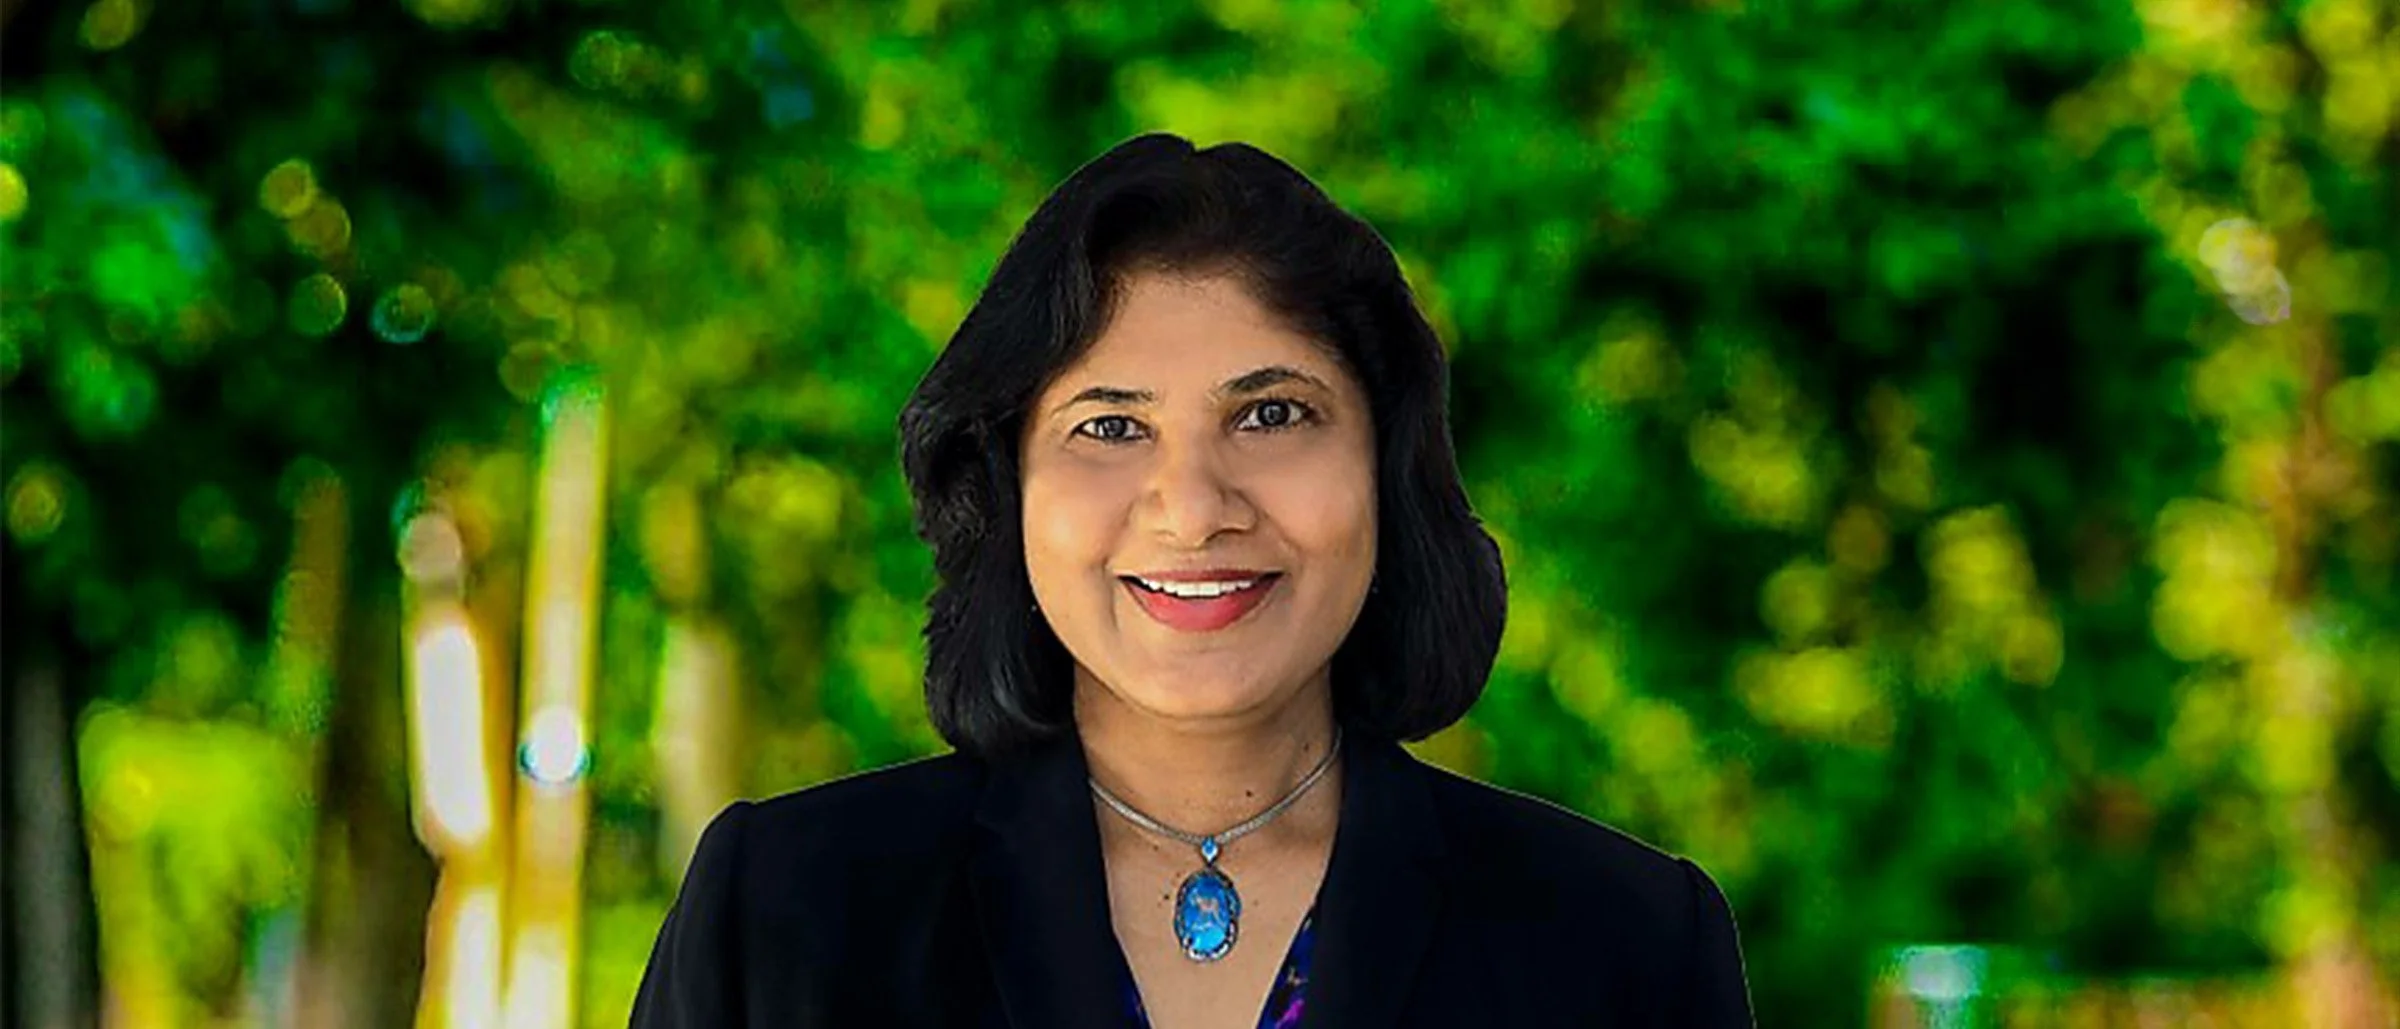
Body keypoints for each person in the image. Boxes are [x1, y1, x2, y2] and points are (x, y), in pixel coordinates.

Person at [629, 132, 1755, 1028]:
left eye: (1272, 415)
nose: (1194, 506)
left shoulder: (1629, 944)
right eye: (1111, 426)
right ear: (1009, 485)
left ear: (1386, 467)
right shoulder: (783, 913)